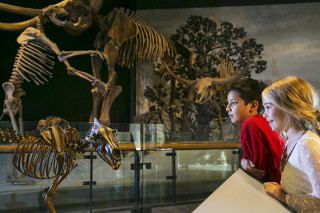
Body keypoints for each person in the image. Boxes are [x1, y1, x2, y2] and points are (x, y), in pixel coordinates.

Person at [262, 76, 320, 213]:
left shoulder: (307, 144)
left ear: (289, 107)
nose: (264, 115)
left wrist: (283, 196)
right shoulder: (292, 141)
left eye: (268, 107)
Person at [226, 78, 286, 183]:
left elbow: (257, 170)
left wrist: (244, 163)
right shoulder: (264, 121)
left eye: (233, 103)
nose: (227, 108)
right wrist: (243, 161)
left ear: (253, 105)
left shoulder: (250, 124)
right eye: (228, 104)